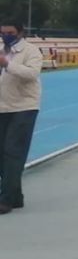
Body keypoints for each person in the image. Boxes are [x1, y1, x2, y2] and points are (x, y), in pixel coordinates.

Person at [0, 16, 43, 214]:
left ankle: (6, 198)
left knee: (12, 151)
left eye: (10, 33)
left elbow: (31, 74)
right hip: (2, 107)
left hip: (24, 107)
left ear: (20, 32)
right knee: (3, 153)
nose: (6, 36)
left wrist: (7, 64)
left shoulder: (31, 51)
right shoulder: (1, 48)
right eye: (3, 32)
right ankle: (15, 196)